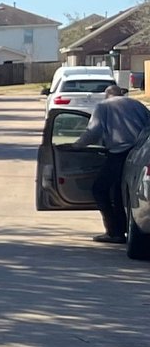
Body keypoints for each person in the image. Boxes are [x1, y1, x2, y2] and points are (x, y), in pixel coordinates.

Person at [69, 83, 150, 243]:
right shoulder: (138, 105)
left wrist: (76, 145)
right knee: (122, 192)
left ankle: (114, 231)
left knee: (99, 189)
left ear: (107, 95)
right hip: (139, 154)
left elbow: (93, 131)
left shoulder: (103, 106)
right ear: (121, 94)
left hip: (118, 155)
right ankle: (123, 229)